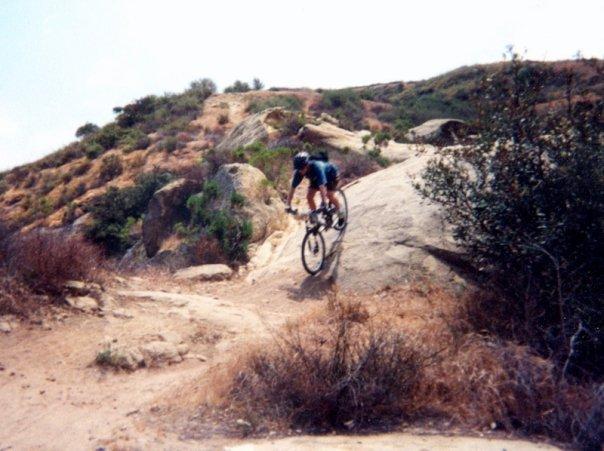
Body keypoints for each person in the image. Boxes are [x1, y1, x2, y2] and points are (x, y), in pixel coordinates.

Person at [286, 151, 344, 226]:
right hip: (315, 179)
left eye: (302, 168)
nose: (301, 171)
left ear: (307, 164)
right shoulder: (299, 171)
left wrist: (324, 202)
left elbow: (322, 186)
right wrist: (288, 204)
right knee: (309, 196)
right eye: (298, 169)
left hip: (331, 175)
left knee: (329, 195)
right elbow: (292, 188)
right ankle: (315, 217)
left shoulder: (317, 167)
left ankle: (341, 212)